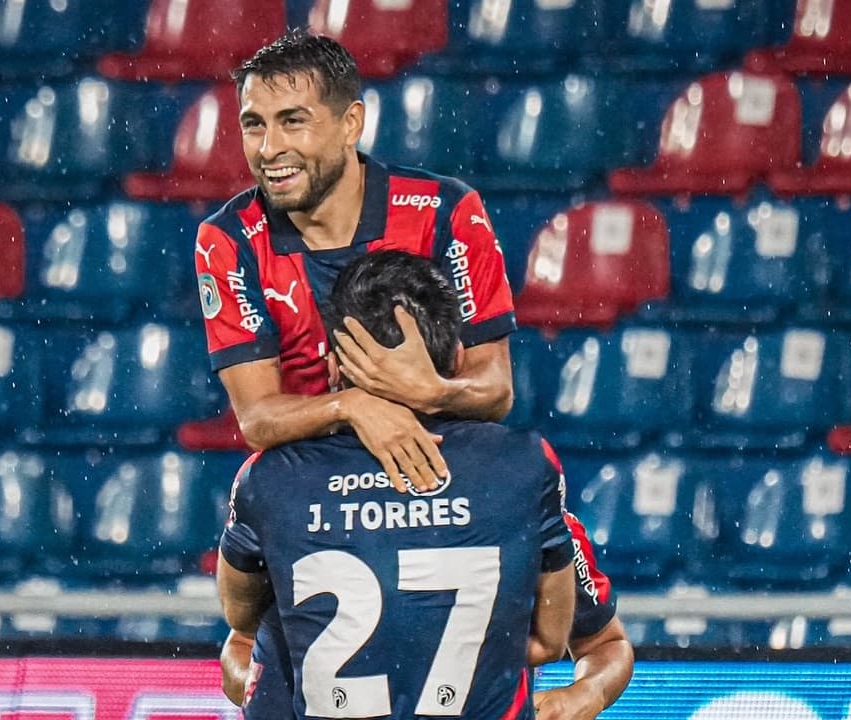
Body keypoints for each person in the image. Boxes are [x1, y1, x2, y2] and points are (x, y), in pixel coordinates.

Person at [217, 251, 577, 719]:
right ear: (458, 356)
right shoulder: (525, 464)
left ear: (330, 366)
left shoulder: (270, 478)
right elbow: (551, 637)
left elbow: (239, 617)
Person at [193, 28, 516, 493]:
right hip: (312, 492)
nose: (268, 149)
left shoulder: (445, 211)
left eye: (292, 121)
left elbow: (497, 389)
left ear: (351, 123)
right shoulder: (228, 238)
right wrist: (352, 406)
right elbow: (257, 418)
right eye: (254, 124)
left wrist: (437, 392)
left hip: (444, 475)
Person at [220, 510, 635, 720]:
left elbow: (606, 644)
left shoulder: (528, 505)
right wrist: (274, 688)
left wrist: (583, 695)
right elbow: (240, 647)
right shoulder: (303, 505)